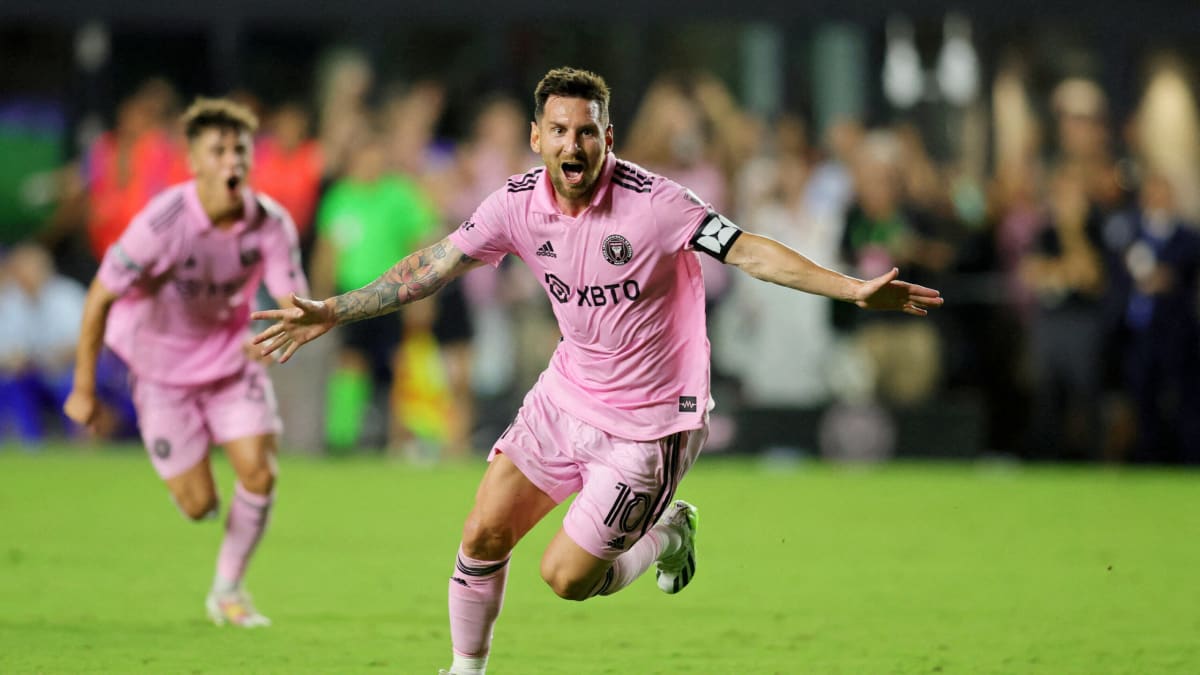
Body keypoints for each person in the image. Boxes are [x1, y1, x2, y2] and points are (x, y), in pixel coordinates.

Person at [252, 67, 942, 673]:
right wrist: (335, 310)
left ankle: (669, 528)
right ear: (536, 136)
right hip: (567, 395)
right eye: (559, 130)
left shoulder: (655, 204)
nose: (572, 145)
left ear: (608, 139)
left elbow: (750, 251)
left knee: (566, 578)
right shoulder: (517, 204)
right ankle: (465, 670)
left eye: (587, 132)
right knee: (482, 532)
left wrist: (850, 287)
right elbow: (435, 263)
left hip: (652, 423)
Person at [63, 97, 309, 627]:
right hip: (160, 371)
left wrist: (286, 329)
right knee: (199, 505)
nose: (231, 162)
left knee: (260, 473)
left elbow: (293, 301)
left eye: (239, 150)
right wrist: (83, 389)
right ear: (194, 162)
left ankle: (227, 591)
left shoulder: (270, 223)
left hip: (228, 361)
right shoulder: (162, 222)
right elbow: (101, 297)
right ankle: (195, 487)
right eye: (217, 151)